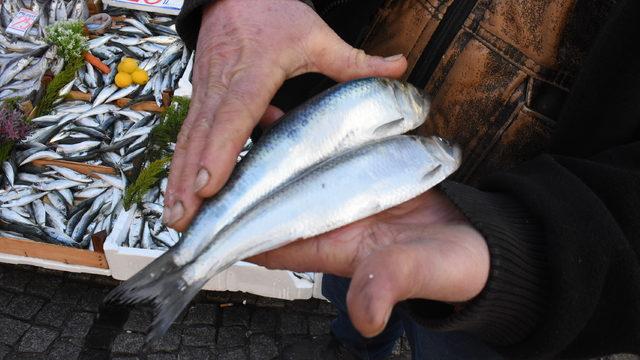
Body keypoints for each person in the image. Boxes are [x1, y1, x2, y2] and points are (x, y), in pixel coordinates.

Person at [162, 0, 640, 358]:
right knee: (350, 293)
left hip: (505, 264)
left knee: (444, 340)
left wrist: (538, 251)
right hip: (347, 196)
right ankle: (352, 346)